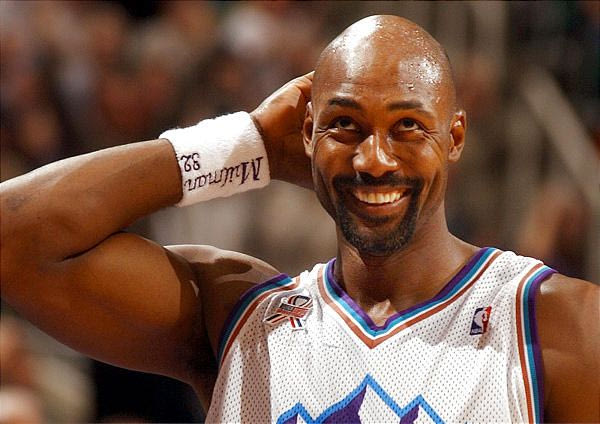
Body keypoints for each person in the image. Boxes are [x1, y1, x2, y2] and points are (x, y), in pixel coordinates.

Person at [1, 15, 597, 423]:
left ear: (455, 137)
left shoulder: (557, 324)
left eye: (408, 126)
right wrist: (244, 145)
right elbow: (14, 236)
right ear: (308, 133)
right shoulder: (236, 313)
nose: (374, 159)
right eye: (345, 125)